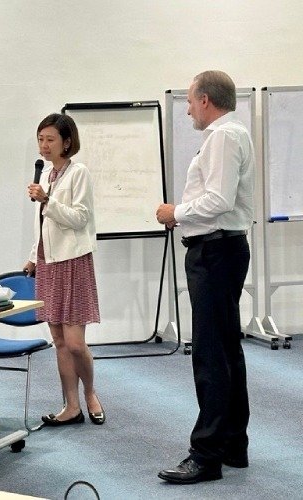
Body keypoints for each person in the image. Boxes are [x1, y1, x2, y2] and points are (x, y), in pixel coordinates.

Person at [156, 70, 254, 484]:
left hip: (214, 251)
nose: (188, 111)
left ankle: (206, 455)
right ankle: (232, 444)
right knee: (227, 350)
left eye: (190, 102)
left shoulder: (222, 136)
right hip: (222, 249)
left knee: (211, 354)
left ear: (206, 100)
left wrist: (175, 212)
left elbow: (218, 199)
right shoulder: (233, 133)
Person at [24, 113, 104, 427]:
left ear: (66, 142)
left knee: (75, 343)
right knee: (58, 340)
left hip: (73, 261)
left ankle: (90, 393)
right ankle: (71, 406)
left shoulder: (78, 173)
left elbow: (80, 218)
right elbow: (42, 224)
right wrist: (33, 256)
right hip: (48, 262)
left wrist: (48, 200)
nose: (44, 145)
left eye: (50, 139)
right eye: (40, 139)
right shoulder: (46, 175)